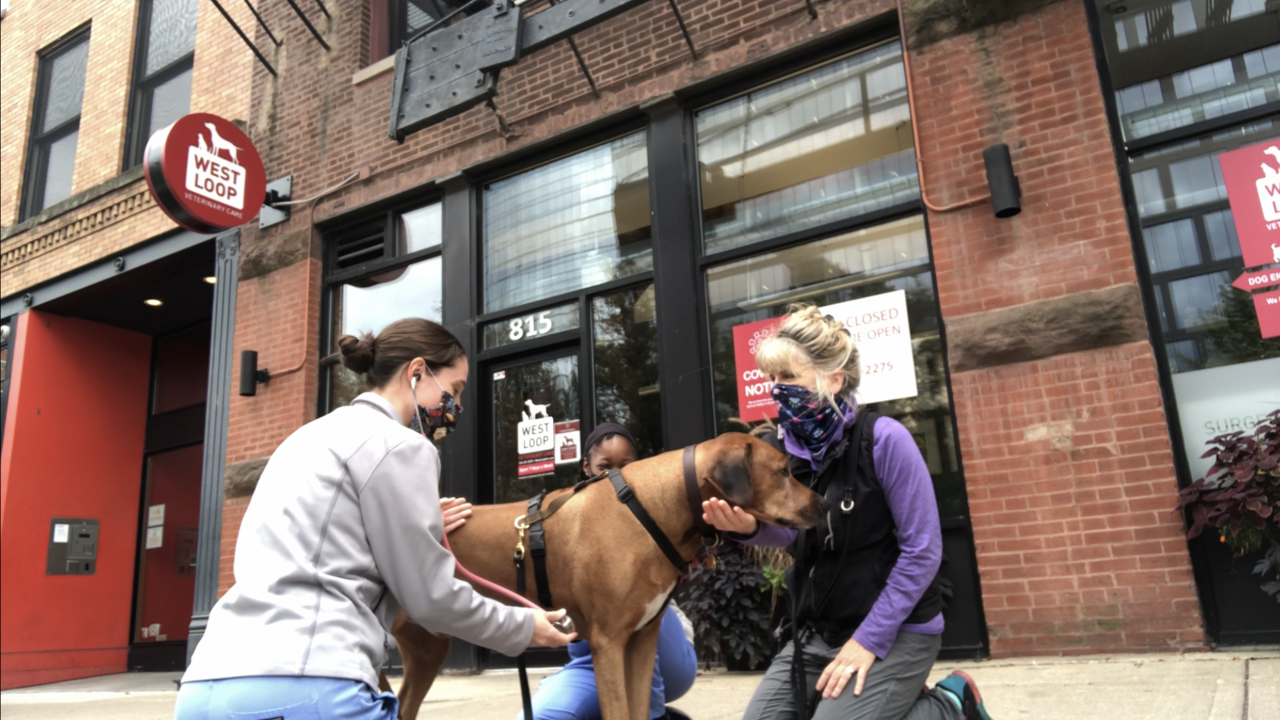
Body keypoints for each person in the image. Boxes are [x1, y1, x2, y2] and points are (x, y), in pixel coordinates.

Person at [174, 318, 575, 720]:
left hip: (207, 682)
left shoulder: (304, 437)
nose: (458, 405)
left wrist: (411, 518)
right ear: (417, 372)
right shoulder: (402, 446)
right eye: (454, 389)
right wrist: (524, 627)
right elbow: (429, 597)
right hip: (309, 680)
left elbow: (315, 534)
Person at [701, 304, 992, 720]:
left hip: (898, 630)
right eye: (772, 378)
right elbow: (796, 536)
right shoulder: (787, 453)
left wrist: (868, 640)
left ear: (832, 380)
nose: (776, 389)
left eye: (788, 376)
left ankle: (949, 705)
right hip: (820, 631)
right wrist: (749, 529)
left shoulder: (885, 440)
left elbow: (922, 552)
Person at [443, 422, 698, 720]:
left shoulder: (648, 519)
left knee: (634, 620)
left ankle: (655, 715)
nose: (614, 475)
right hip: (593, 662)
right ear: (586, 468)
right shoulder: (566, 517)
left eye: (626, 466)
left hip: (670, 659)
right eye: (604, 466)